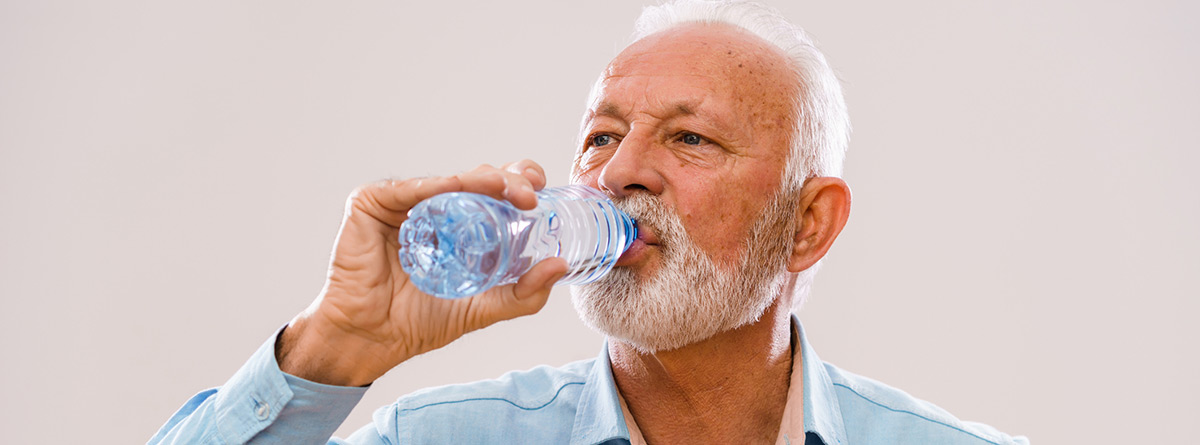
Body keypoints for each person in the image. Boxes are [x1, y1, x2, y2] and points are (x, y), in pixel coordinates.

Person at [151, 1, 1028, 444]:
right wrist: (334, 346)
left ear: (807, 225)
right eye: (601, 136)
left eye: (690, 137)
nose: (617, 173)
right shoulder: (445, 439)